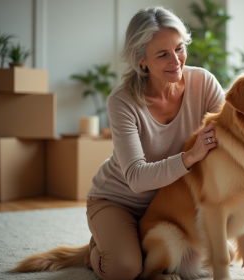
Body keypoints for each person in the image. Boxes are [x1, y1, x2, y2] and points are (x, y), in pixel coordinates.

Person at [84, 6, 225, 280]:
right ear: (141, 60)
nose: (176, 60)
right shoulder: (122, 101)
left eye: (180, 48)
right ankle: (95, 251)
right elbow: (136, 178)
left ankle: (122, 244)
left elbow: (229, 133)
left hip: (170, 207)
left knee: (219, 258)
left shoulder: (204, 83)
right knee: (125, 269)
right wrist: (190, 157)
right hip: (120, 200)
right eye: (163, 54)